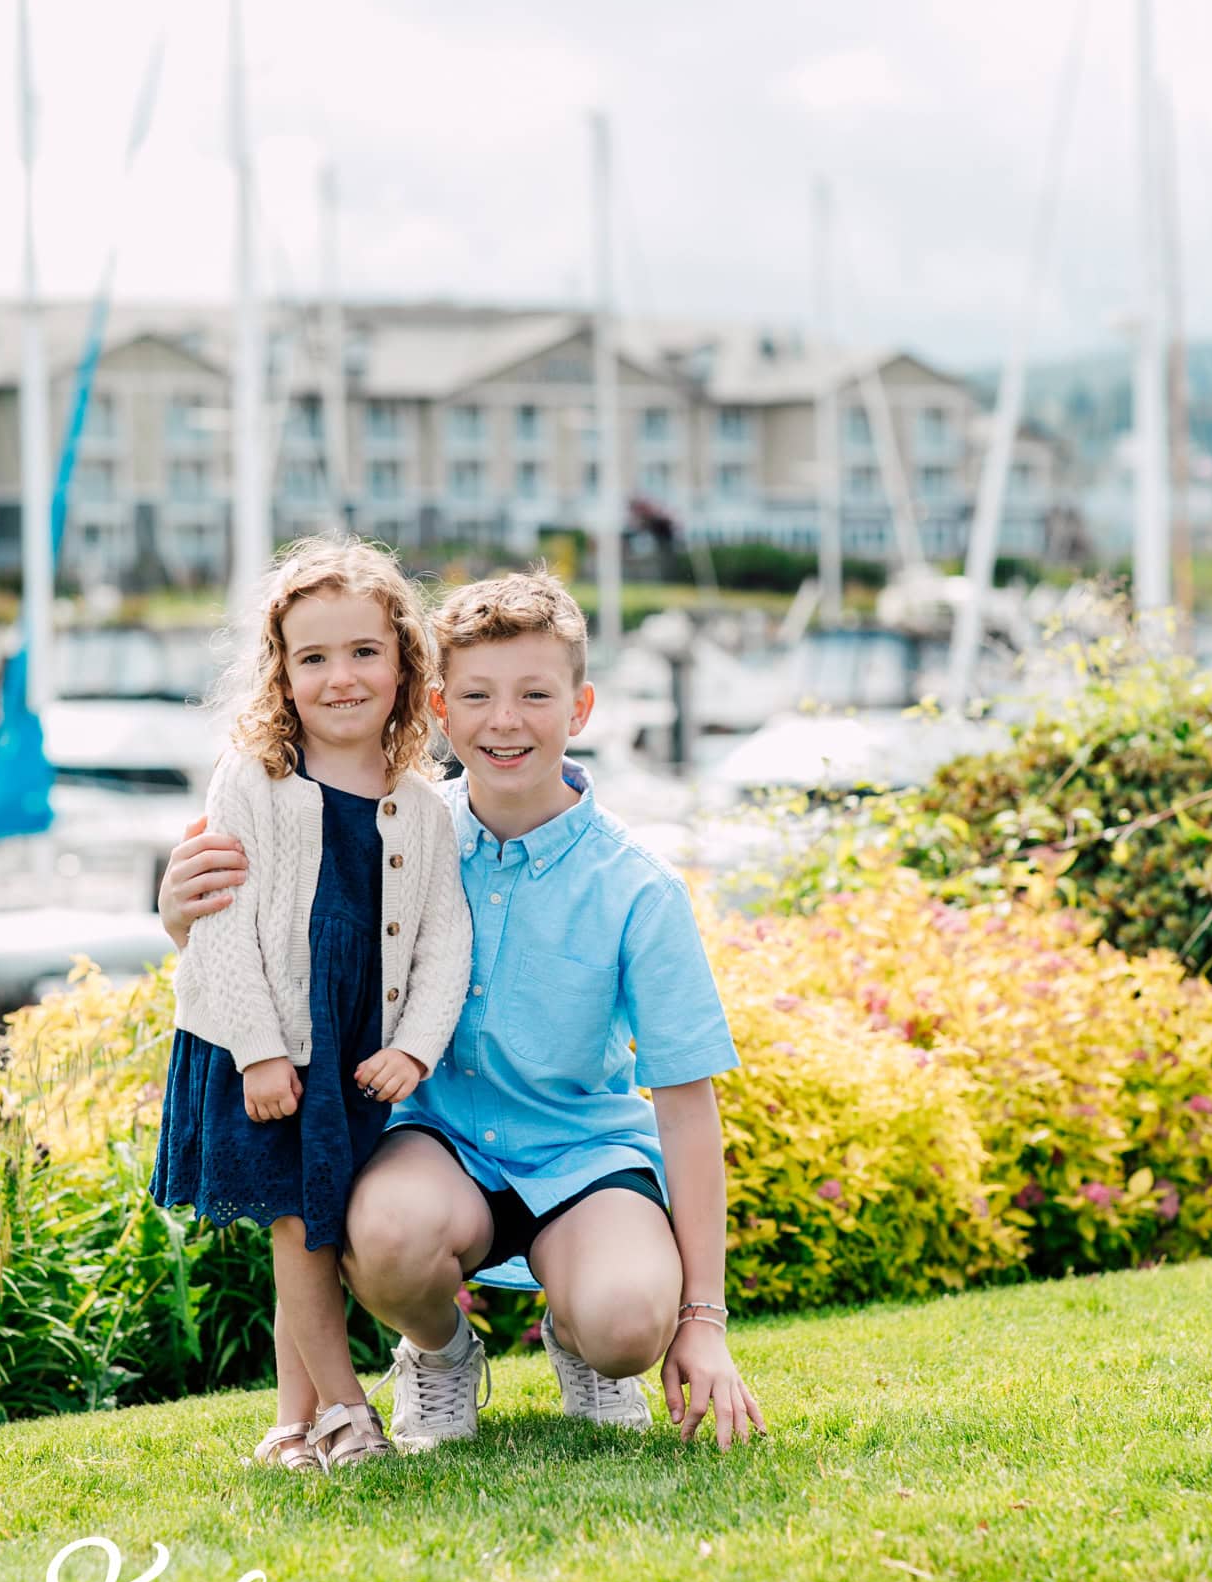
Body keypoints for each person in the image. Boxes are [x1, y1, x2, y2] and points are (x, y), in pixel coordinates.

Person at [161, 569, 765, 1454]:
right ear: (440, 707)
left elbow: (685, 1105)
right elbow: (289, 939)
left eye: (534, 695)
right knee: (383, 1233)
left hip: (582, 1156)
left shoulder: (639, 887)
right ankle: (438, 1354)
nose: (505, 722)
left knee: (629, 1321)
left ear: (580, 707)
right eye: (476, 696)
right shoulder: (399, 828)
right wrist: (178, 917)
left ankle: (583, 1341)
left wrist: (703, 1318)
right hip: (435, 1149)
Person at [151, 537, 470, 1473]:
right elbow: (222, 927)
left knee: (318, 1230)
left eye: (364, 652)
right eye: (313, 657)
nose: (341, 677)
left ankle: (292, 1426)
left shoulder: (421, 804)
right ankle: (346, 1413)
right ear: (281, 673)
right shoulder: (251, 781)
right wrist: (257, 1050)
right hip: (267, 1046)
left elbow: (445, 938)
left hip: (351, 1052)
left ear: (405, 663)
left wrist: (413, 1048)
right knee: (297, 1229)